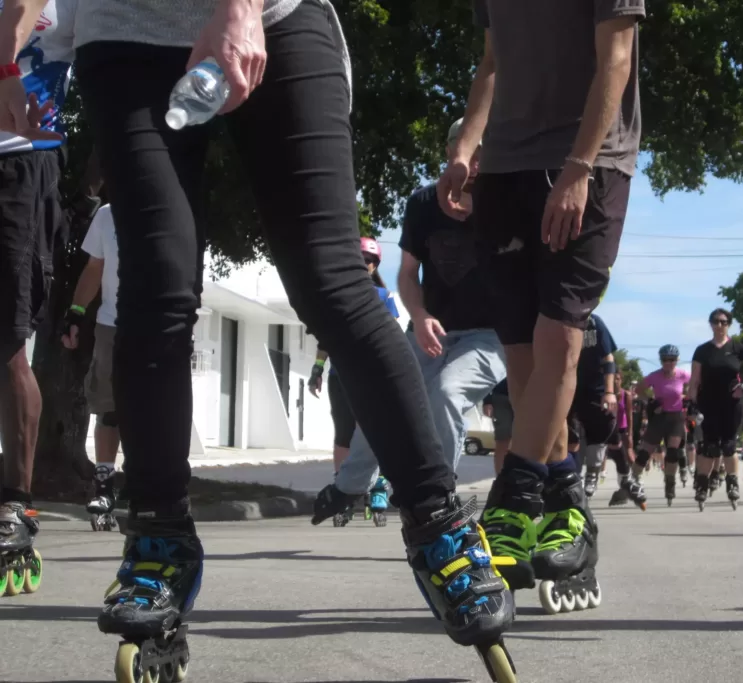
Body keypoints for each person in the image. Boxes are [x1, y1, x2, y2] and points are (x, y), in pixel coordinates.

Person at [1, 0, 515, 676]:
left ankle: (439, 521)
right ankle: (158, 536)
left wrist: (238, 7)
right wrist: (9, 59)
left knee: (331, 282)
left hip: (274, 15)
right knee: (153, 290)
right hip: (125, 30)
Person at [438, 0, 645, 609]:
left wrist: (580, 167)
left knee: (560, 334)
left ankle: (514, 500)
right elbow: (491, 63)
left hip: (589, 162)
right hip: (505, 167)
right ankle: (568, 505)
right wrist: (464, 148)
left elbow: (617, 58)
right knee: (522, 359)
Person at [311, 118, 506, 532]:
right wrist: (419, 316)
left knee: (446, 393)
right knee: (386, 394)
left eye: (483, 153)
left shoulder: (505, 204)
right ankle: (349, 486)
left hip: (489, 337)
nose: (475, 163)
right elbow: (406, 274)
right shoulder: (423, 203)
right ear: (450, 151)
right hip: (429, 326)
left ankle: (439, 497)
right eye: (467, 151)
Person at [0, 0, 75, 587]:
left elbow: (17, 17)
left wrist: (7, 68)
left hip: (19, 166)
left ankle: (15, 505)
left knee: (8, 344)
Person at [308, 236, 399, 526]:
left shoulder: (383, 297)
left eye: (370, 260)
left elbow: (392, 339)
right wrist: (317, 369)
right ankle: (343, 491)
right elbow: (326, 338)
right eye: (361, 259)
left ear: (375, 266)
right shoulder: (335, 296)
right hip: (341, 376)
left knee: (373, 433)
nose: (365, 264)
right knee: (343, 435)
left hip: (372, 377)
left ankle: (377, 486)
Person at [62, 203, 123, 530]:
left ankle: (149, 487)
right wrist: (75, 312)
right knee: (108, 409)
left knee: (150, 412)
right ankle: (104, 487)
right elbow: (95, 266)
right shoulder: (106, 214)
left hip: (155, 326)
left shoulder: (167, 204)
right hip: (111, 324)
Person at [687, 308, 743, 508]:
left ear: (729, 324)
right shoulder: (702, 350)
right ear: (710, 324)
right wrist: (691, 404)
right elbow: (694, 380)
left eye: (723, 321)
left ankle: (732, 484)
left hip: (733, 403)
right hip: (708, 403)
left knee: (729, 446)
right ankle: (702, 486)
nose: (719, 325)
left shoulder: (737, 348)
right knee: (709, 446)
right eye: (715, 321)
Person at [629, 344, 691, 506]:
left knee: (672, 452)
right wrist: (650, 401)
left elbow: (695, 385)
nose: (668, 363)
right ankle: (631, 480)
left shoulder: (683, 375)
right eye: (665, 360)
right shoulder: (655, 376)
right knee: (645, 452)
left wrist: (686, 397)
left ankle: (670, 484)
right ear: (661, 360)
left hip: (676, 418)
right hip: (659, 417)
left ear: (677, 360)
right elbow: (639, 389)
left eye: (672, 360)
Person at [566, 314, 618, 497]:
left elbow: (608, 359)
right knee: (570, 434)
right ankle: (571, 477)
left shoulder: (594, 323)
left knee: (598, 432)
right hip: (567, 384)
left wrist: (609, 392)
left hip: (594, 386)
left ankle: (592, 474)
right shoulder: (557, 319)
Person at [483, 379, 514, 474]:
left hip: (529, 394)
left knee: (527, 441)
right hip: (501, 396)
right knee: (502, 439)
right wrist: (487, 400)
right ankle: (500, 477)